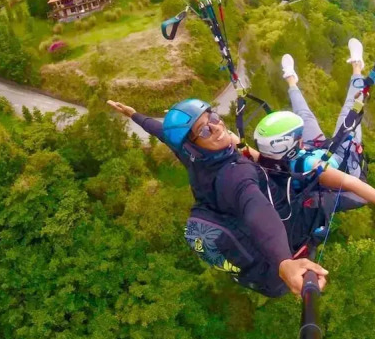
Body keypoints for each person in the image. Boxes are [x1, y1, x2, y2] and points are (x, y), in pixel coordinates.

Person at [106, 98, 327, 297]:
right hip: (279, 239)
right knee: (325, 200)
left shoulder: (193, 157)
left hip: (235, 223)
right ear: (192, 145)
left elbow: (162, 133)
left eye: (212, 118)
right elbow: (257, 210)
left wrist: (134, 114)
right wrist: (284, 262)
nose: (216, 127)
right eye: (203, 131)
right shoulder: (236, 173)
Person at [248, 38, 375, 237]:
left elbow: (249, 151)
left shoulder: (267, 161)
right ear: (290, 145)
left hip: (313, 153)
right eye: (298, 136)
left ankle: (291, 78)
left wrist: (231, 139)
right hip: (341, 162)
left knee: (305, 115)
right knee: (350, 112)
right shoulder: (312, 166)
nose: (301, 137)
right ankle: (357, 66)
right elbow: (351, 183)